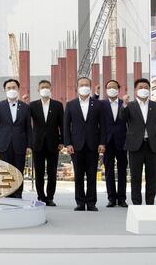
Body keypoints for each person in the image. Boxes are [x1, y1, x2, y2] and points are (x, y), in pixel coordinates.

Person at [120, 78, 156, 205]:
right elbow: (122, 117)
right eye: (140, 87)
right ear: (135, 90)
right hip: (135, 145)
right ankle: (136, 203)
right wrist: (124, 104)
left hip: (152, 145)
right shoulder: (130, 105)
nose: (143, 89)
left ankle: (150, 202)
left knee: (152, 176)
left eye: (146, 87)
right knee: (135, 176)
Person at [0, 79, 32, 199]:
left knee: (19, 170)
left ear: (18, 89)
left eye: (14, 87)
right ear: (4, 90)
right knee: (6, 170)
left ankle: (18, 194)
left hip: (20, 144)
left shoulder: (25, 107)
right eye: (8, 88)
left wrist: (29, 145)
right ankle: (8, 194)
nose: (11, 90)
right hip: (4, 143)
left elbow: (28, 128)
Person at [63, 77, 105, 211]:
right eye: (82, 85)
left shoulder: (98, 104)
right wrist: (68, 144)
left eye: (87, 85)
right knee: (79, 175)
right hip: (76, 145)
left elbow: (103, 125)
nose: (84, 87)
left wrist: (102, 143)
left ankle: (91, 202)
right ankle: (80, 202)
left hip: (93, 145)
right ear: (77, 87)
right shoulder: (71, 104)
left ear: (90, 87)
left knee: (92, 175)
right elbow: (66, 126)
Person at [29, 80, 63, 206]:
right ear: (38, 90)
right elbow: (26, 122)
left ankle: (50, 197)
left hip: (53, 143)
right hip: (37, 143)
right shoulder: (32, 105)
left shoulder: (57, 105)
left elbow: (62, 124)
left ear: (51, 89)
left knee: (52, 172)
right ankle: (41, 196)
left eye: (47, 87)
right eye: (42, 87)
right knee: (39, 172)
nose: (45, 89)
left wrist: (62, 141)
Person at [100, 80, 128, 208]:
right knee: (109, 171)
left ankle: (122, 198)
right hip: (107, 141)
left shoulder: (124, 104)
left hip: (122, 141)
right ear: (106, 90)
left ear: (118, 89)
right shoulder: (102, 104)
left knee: (122, 171)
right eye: (109, 87)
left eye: (114, 87)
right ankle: (111, 198)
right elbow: (91, 104)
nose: (112, 89)